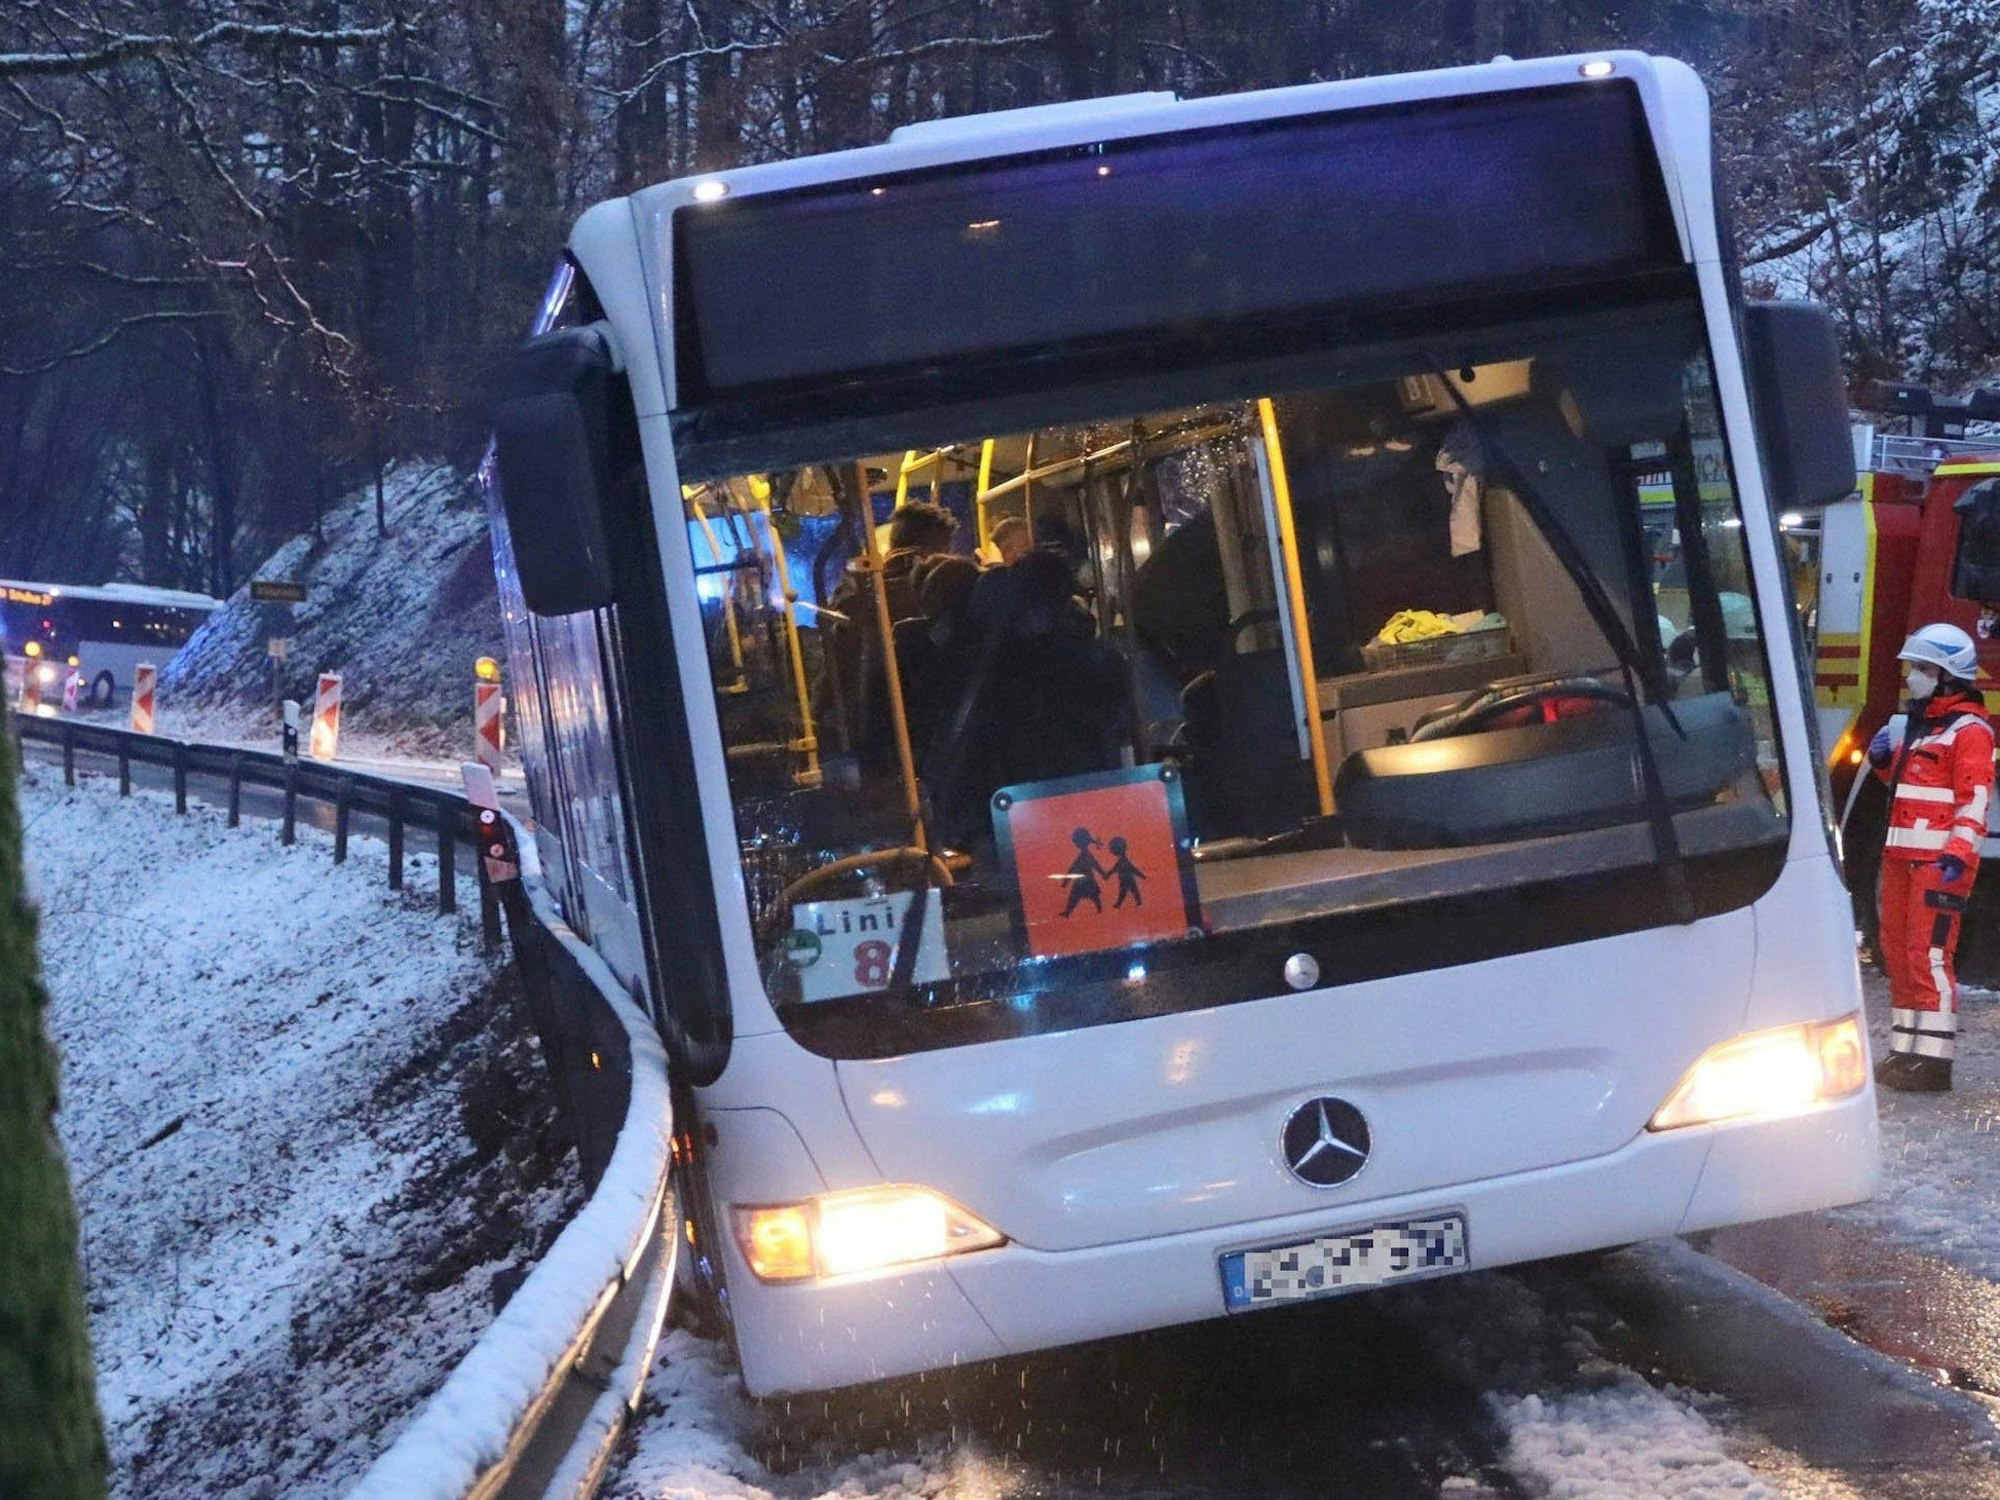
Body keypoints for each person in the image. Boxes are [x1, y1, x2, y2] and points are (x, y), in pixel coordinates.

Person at [1866, 622, 1993, 1092]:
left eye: (1922, 668)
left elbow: (1974, 800)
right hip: (1903, 859)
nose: (1911, 677)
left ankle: (1934, 1062)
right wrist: (1884, 764)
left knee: (1929, 956)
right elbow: (1912, 793)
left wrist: (1958, 854)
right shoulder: (1923, 728)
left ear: (1946, 676)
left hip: (1939, 865)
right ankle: (1906, 1050)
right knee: (1898, 955)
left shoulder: (1970, 731)